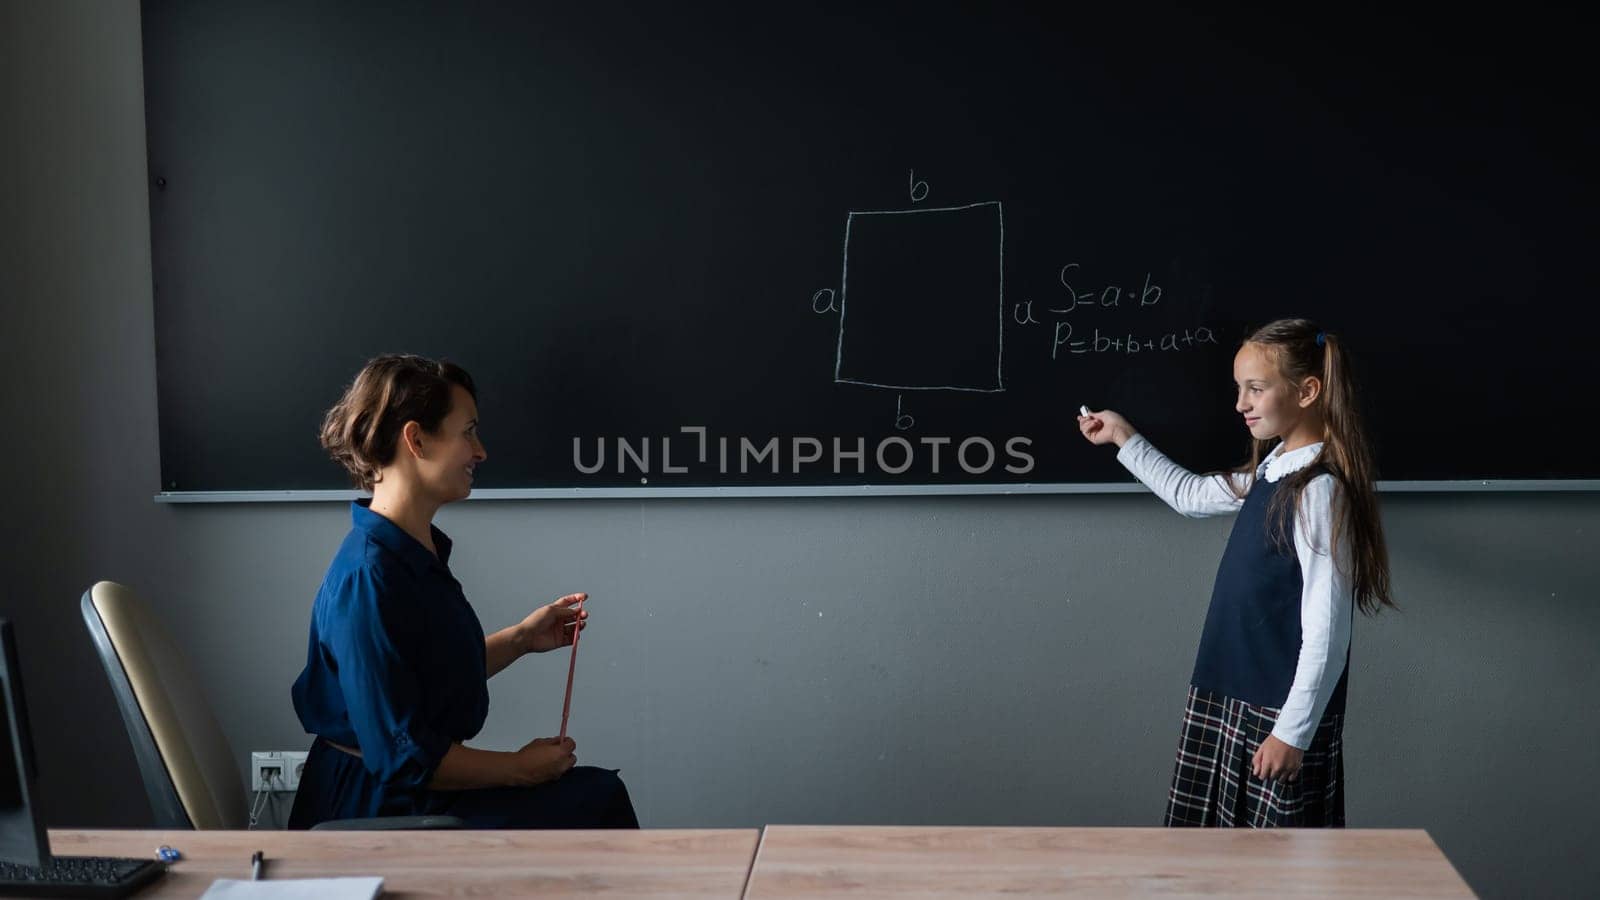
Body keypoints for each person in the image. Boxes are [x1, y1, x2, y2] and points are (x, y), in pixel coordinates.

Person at [288, 353, 638, 828]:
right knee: (596, 799)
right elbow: (403, 756)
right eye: (467, 432)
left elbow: (422, 682)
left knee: (595, 796)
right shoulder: (369, 578)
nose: (480, 451)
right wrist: (518, 769)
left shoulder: (412, 553)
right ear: (416, 439)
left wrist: (520, 640)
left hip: (412, 792)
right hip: (382, 806)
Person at [1079, 318, 1394, 827]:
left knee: (1276, 870)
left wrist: (1293, 731)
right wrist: (1122, 436)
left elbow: (1328, 631)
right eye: (1239, 389)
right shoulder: (1273, 471)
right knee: (1217, 863)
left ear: (1308, 391)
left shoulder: (1318, 491)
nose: (1240, 404)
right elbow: (1189, 495)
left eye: (1255, 389)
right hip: (1231, 695)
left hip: (1274, 712)